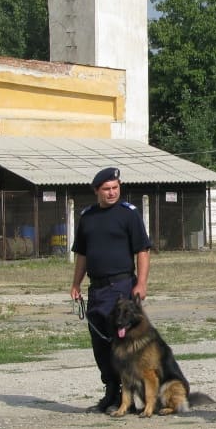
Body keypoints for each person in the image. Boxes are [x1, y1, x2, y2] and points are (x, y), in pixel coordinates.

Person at [70, 167, 152, 413]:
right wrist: (76, 284)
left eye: (115, 187)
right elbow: (82, 255)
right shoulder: (88, 217)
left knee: (123, 345)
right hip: (97, 289)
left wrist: (141, 283)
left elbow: (142, 250)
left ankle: (131, 396)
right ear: (97, 190)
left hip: (122, 287)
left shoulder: (129, 214)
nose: (112, 192)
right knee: (100, 344)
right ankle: (111, 392)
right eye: (106, 189)